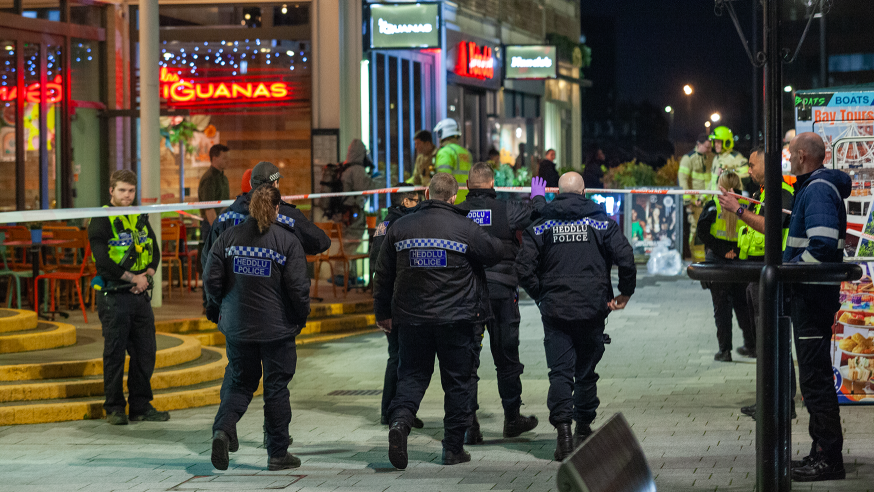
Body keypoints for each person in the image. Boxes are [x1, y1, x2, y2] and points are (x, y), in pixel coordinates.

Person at [374, 173, 504, 469]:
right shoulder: (464, 227)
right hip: (455, 319)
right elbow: (494, 252)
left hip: (411, 319)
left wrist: (383, 313)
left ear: (426, 193)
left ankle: (400, 424)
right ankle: (452, 448)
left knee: (411, 378)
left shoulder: (401, 227)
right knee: (458, 382)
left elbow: (383, 274)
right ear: (454, 197)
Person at [516, 172, 636, 461]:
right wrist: (625, 292)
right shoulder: (601, 222)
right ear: (584, 193)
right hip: (593, 309)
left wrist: (541, 295)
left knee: (560, 373)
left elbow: (522, 268)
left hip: (555, 310)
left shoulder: (541, 223)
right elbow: (626, 257)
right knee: (585, 372)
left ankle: (564, 436)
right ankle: (583, 427)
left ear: (557, 192)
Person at [205, 185, 310, 472]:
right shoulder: (287, 242)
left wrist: (220, 308)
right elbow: (299, 289)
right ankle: (278, 453)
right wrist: (300, 318)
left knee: (240, 382)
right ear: (277, 209)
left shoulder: (228, 238)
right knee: (276, 389)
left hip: (238, 327)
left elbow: (211, 280)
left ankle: (223, 431)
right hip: (277, 330)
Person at [456, 164, 547, 445]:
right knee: (507, 356)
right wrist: (537, 195)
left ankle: (470, 425)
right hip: (503, 290)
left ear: (468, 185)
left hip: (467, 293)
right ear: (492, 182)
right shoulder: (506, 209)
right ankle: (511, 418)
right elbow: (537, 214)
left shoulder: (457, 211)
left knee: (466, 361)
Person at [782, 132, 849, 482]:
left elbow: (821, 245)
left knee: (815, 379)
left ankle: (828, 458)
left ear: (803, 155)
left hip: (812, 296)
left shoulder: (819, 189)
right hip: (812, 294)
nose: (787, 158)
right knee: (814, 376)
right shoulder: (813, 188)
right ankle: (820, 451)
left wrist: (790, 271)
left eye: (790, 153)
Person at [717, 146, 797, 418]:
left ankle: (781, 403)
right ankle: (772, 400)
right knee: (765, 342)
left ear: (767, 163)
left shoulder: (781, 190)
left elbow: (770, 226)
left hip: (774, 272)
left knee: (773, 340)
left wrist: (738, 210)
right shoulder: (761, 192)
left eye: (752, 165)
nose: (748, 170)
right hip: (758, 270)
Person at [88, 169, 168, 425]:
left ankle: (141, 406)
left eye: (131, 191)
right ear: (111, 191)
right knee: (115, 353)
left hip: (139, 295)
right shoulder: (101, 218)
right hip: (114, 296)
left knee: (146, 352)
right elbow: (103, 262)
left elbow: (154, 250)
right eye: (122, 190)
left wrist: (147, 275)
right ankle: (114, 408)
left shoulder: (138, 216)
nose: (127, 195)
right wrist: (134, 279)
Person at [203, 161, 330, 275]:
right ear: (275, 183)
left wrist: (220, 298)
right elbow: (320, 242)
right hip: (276, 298)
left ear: (251, 184)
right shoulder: (287, 216)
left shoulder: (226, 216)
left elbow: (208, 258)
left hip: (234, 298)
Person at [370, 185, 423, 427]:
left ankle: (395, 410)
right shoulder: (401, 225)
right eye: (416, 199)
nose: (420, 203)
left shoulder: (385, 223)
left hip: (389, 298)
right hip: (398, 299)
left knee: (399, 356)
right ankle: (395, 411)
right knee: (402, 358)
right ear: (406, 201)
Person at [696, 171, 754, 362]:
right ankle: (751, 345)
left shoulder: (713, 205)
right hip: (741, 261)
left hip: (718, 264)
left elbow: (702, 233)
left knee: (721, 308)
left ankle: (724, 351)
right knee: (743, 305)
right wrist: (735, 251)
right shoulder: (746, 205)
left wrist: (722, 250)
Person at [340, 139, 381, 274]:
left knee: (347, 243)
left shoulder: (346, 169)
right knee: (352, 243)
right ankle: (343, 275)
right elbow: (364, 188)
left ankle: (348, 276)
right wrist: (379, 180)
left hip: (346, 212)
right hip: (354, 212)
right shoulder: (357, 170)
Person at [198, 144, 230, 310]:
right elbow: (209, 208)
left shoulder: (222, 177)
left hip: (221, 227)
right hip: (211, 228)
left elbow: (224, 206)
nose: (227, 161)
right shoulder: (209, 178)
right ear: (215, 157)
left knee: (221, 267)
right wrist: (218, 231)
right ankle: (208, 304)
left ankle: (218, 302)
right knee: (211, 266)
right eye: (224, 157)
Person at [679, 134, 712, 262]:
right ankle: (697, 261)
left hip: (709, 201)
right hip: (695, 204)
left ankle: (707, 259)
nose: (709, 150)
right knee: (696, 231)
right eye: (707, 147)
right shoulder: (688, 159)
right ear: (699, 144)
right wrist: (688, 201)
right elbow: (683, 181)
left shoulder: (711, 157)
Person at [434, 118, 473, 203]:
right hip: (466, 200)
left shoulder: (445, 152)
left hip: (451, 201)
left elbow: (443, 180)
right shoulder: (466, 153)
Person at [708, 126, 751, 194]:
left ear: (727, 142)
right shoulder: (716, 158)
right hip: (716, 200)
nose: (716, 145)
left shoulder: (737, 158)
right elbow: (713, 181)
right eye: (715, 142)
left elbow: (746, 178)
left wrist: (728, 174)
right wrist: (702, 198)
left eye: (718, 142)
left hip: (730, 200)